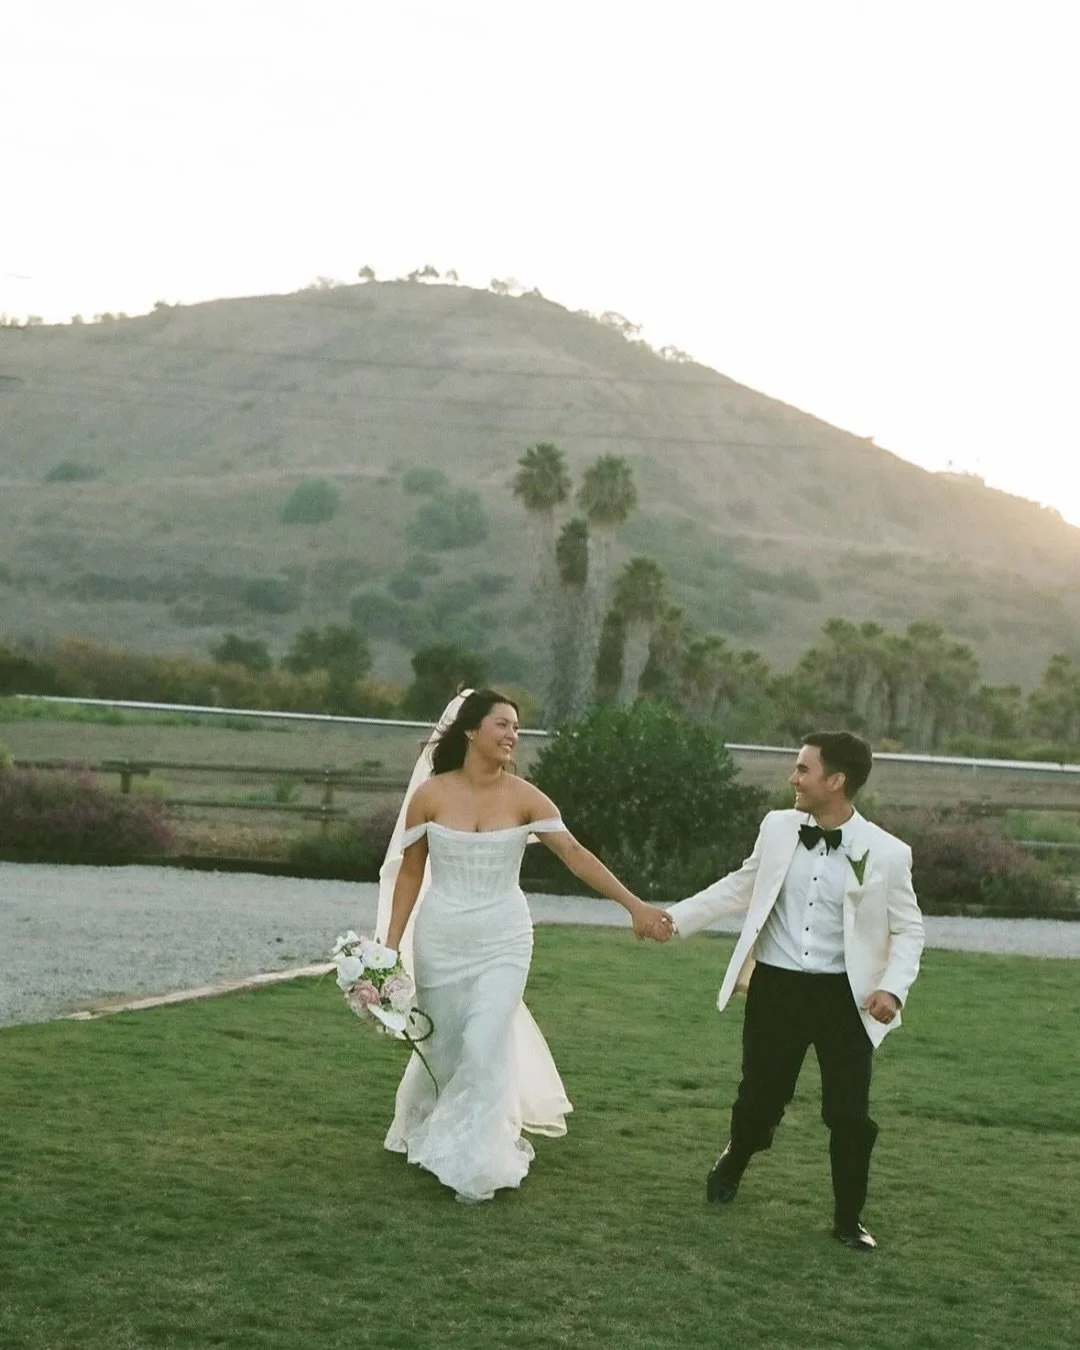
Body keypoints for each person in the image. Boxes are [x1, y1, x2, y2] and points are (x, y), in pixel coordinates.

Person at [379, 688, 672, 1203]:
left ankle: (476, 1156)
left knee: (485, 1040)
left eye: (517, 727)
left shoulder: (527, 797)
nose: (514, 735)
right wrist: (388, 947)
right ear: (472, 731)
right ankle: (429, 1121)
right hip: (441, 936)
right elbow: (410, 871)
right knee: (444, 1043)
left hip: (503, 937)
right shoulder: (430, 795)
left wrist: (636, 906)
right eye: (504, 725)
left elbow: (576, 855)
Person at [663, 731, 924, 1250]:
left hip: (845, 1002)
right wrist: (673, 919)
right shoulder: (778, 828)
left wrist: (891, 990)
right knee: (759, 1100)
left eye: (803, 769)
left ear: (836, 780)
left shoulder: (888, 854)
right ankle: (736, 1156)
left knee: (848, 1114)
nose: (792, 778)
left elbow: (910, 929)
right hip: (776, 990)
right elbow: (741, 886)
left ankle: (848, 1221)